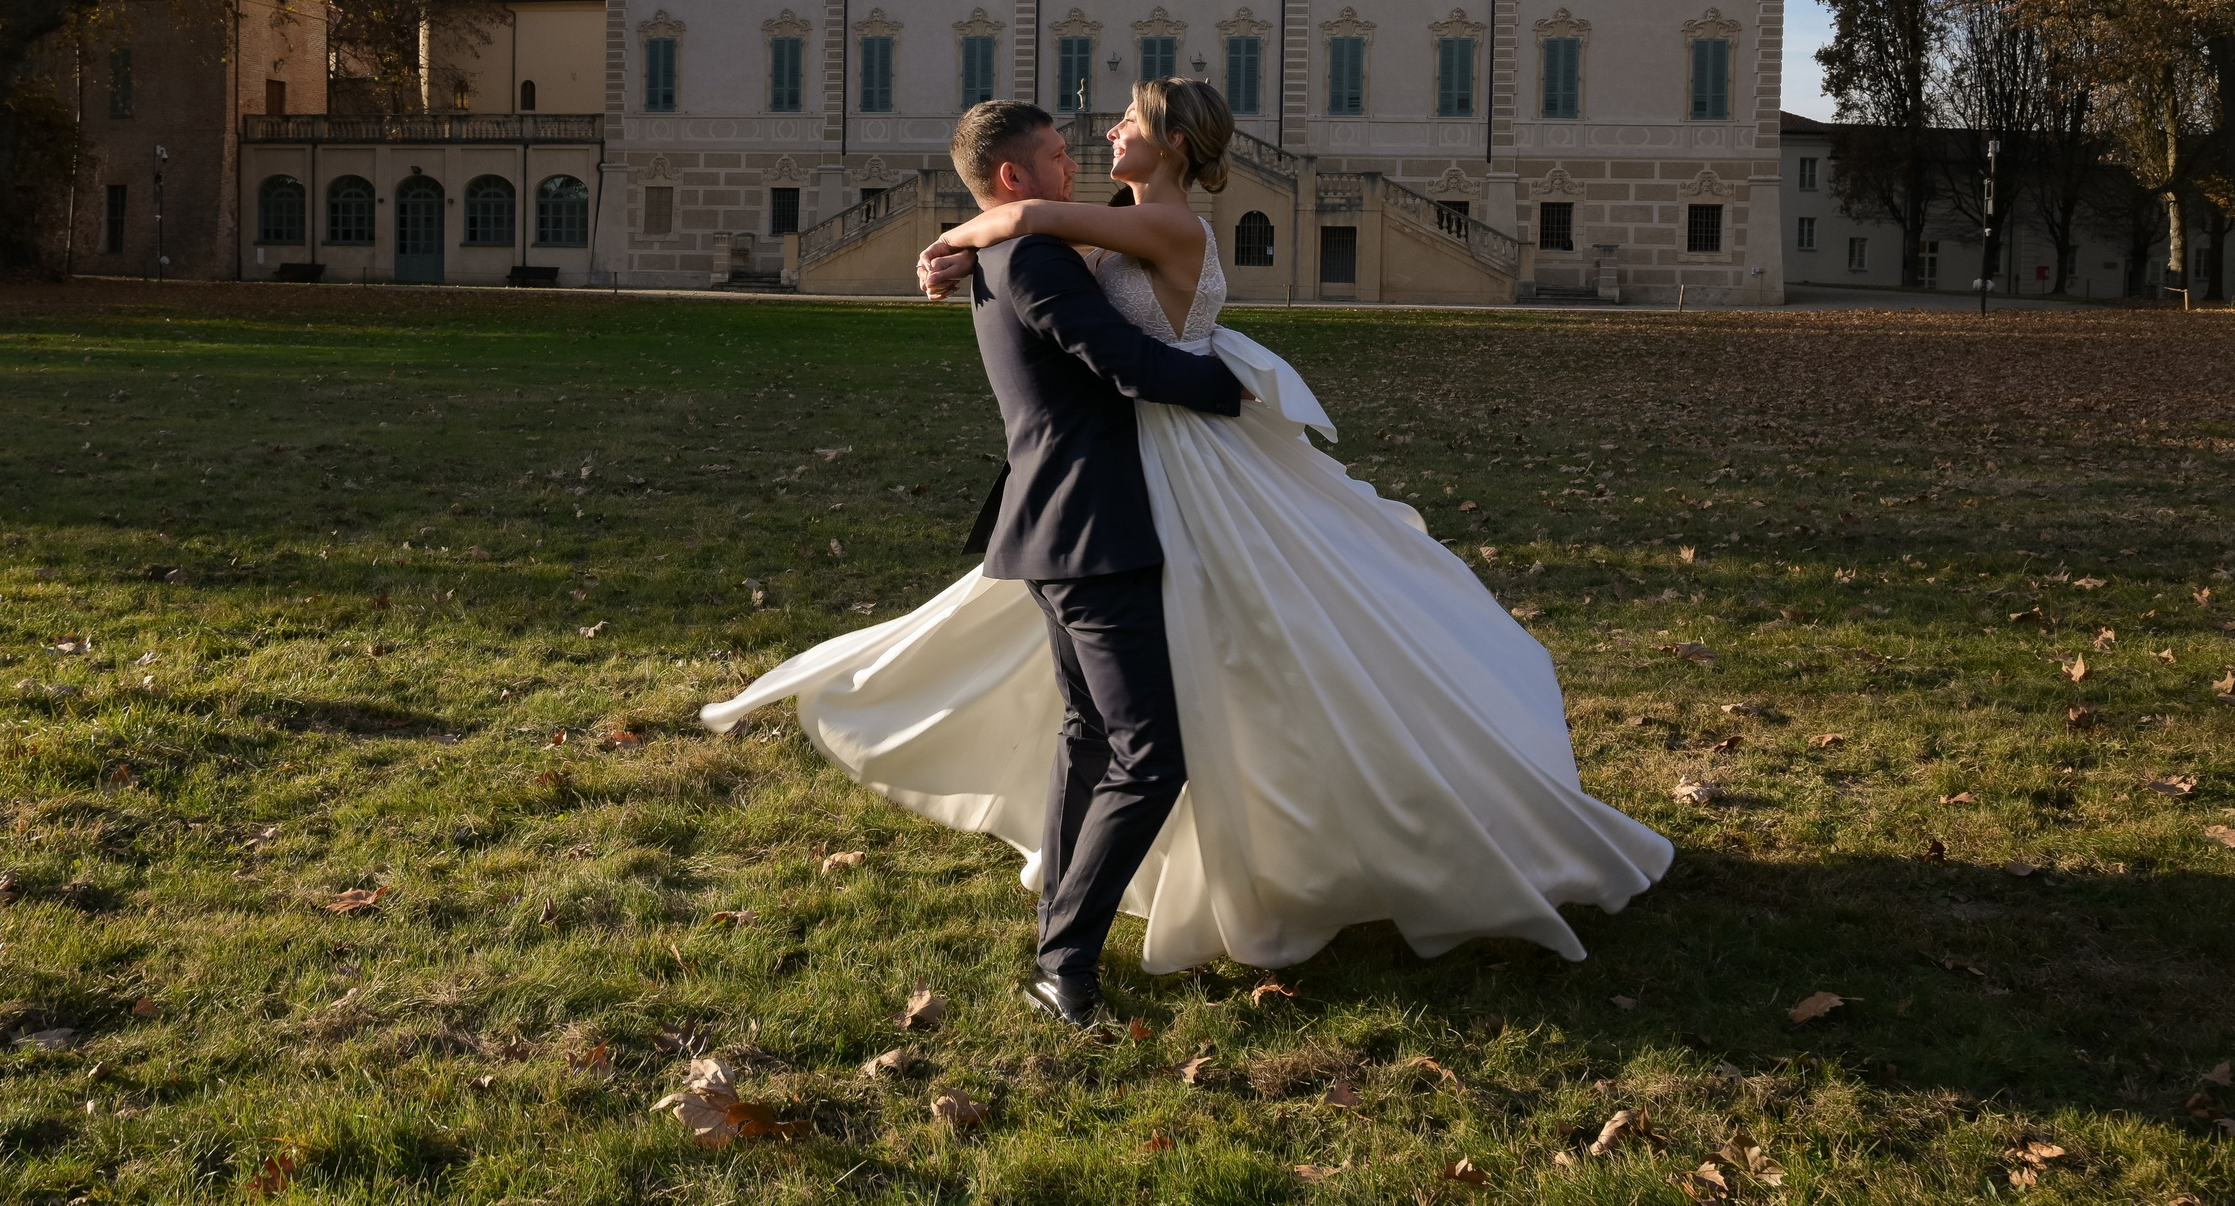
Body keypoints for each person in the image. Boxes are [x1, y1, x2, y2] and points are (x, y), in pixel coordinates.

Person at [703, 82, 1671, 1026]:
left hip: (1137, 492)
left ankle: (1069, 938)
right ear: (1016, 170)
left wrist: (965, 237)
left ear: (1169, 146)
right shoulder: (1056, 243)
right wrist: (974, 245)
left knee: (1141, 719)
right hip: (1112, 501)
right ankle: (1063, 951)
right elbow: (1097, 321)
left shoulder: (1121, 231)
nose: (1094, 138)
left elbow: (1033, 221)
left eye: (1125, 120)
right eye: (1063, 143)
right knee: (1137, 744)